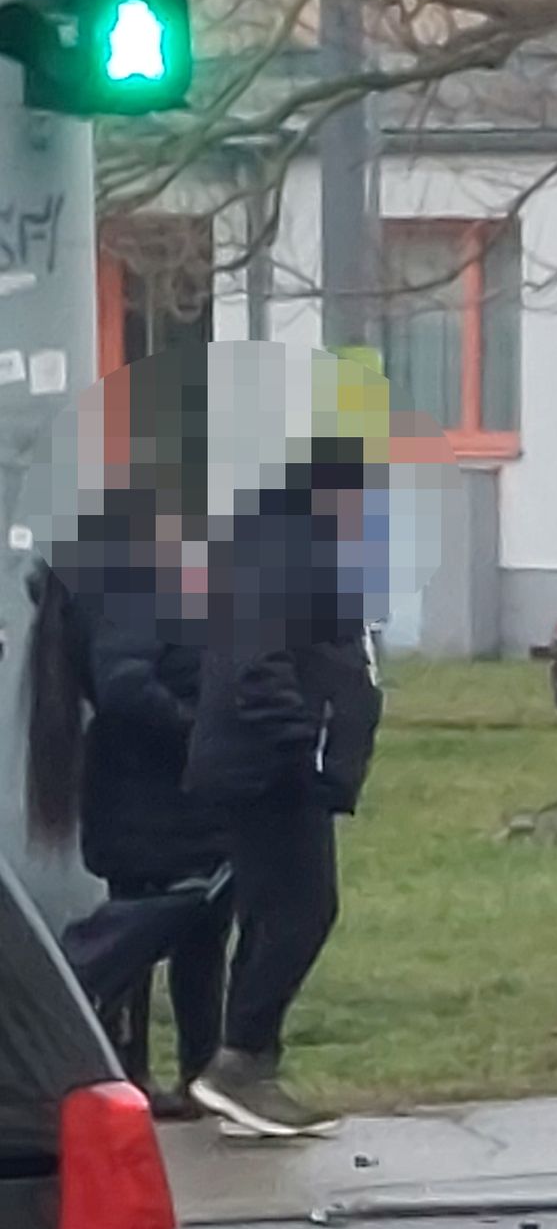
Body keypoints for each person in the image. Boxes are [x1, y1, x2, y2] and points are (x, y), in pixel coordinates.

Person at [183, 432, 381, 1140]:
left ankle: (249, 1068)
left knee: (278, 913)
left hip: (285, 771)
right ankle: (238, 1063)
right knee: (301, 911)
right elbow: (253, 666)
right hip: (269, 772)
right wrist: (304, 746)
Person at [41, 484, 223, 1114]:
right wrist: (202, 733)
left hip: (155, 793)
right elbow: (126, 688)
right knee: (153, 931)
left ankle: (185, 1072)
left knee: (192, 932)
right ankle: (137, 1074)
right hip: (155, 794)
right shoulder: (138, 593)